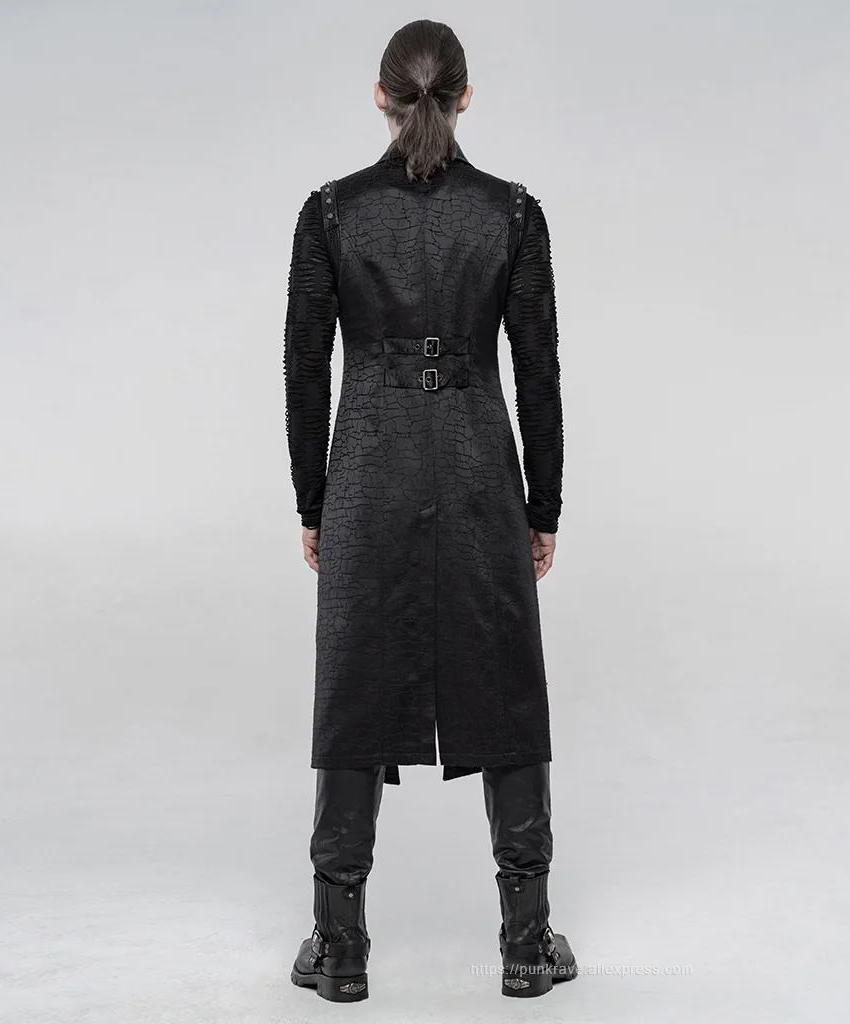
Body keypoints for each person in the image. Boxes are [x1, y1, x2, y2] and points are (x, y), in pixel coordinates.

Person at [283, 19, 575, 1002]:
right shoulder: (512, 213)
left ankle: (340, 944)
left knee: (354, 684)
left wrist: (314, 501)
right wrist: (543, 505)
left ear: (380, 96)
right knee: (506, 681)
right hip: (479, 469)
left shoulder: (331, 212)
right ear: (464, 98)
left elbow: (302, 367)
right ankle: (526, 941)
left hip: (368, 471)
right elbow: (537, 368)